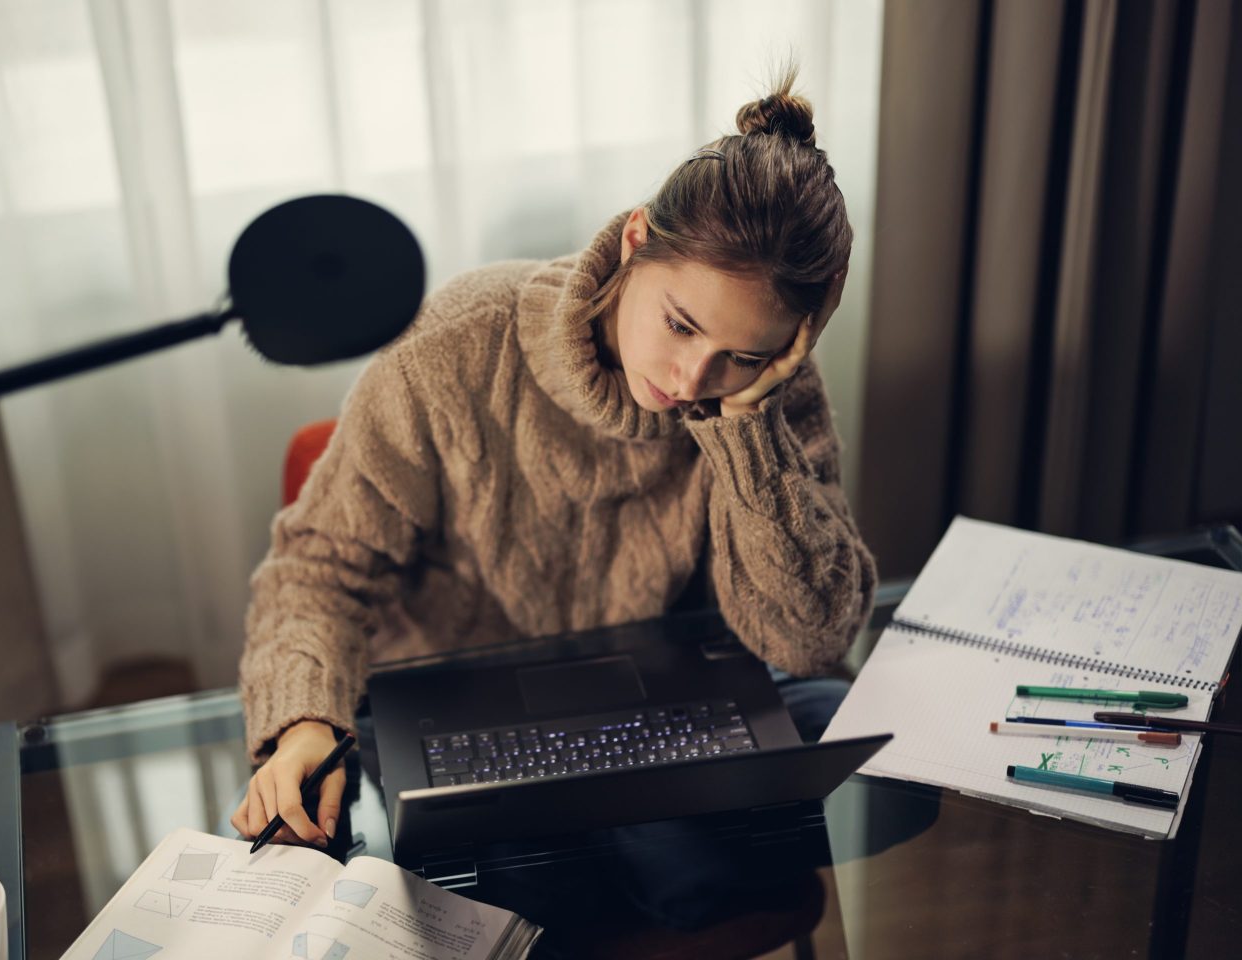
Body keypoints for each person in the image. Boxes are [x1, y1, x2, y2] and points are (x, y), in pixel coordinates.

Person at [232, 66, 876, 849]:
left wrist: (745, 430)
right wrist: (304, 722)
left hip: (656, 712)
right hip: (453, 710)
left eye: (740, 355)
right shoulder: (454, 349)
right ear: (636, 240)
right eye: (679, 325)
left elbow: (809, 642)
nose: (692, 380)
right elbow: (318, 568)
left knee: (849, 804)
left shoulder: (765, 395)